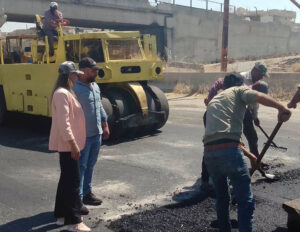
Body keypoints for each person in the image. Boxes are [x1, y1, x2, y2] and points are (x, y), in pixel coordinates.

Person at [203, 72, 291, 232]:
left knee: (222, 198)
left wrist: (251, 156)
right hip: (228, 151)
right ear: (240, 84)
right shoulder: (238, 91)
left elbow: (221, 138)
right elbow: (257, 96)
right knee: (245, 201)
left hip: (210, 154)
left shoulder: (215, 100)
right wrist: (281, 107)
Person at [201, 62, 270, 191]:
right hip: (223, 113)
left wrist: (254, 117)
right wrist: (210, 99)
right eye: (261, 75)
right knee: (216, 144)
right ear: (255, 71)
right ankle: (207, 179)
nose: (261, 77)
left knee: (251, 138)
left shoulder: (249, 88)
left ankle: (255, 164)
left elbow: (255, 101)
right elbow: (217, 83)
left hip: (241, 111)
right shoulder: (240, 81)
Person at [49, 61, 91, 232]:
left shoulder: (65, 92)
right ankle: (74, 222)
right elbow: (64, 122)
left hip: (69, 144)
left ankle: (61, 216)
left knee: (66, 180)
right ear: (67, 75)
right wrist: (73, 145)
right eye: (74, 74)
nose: (77, 76)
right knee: (73, 182)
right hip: (68, 144)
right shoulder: (62, 93)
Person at [73, 57, 110, 209]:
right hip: (83, 137)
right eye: (94, 71)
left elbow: (99, 106)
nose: (96, 73)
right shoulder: (74, 89)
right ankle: (78, 199)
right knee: (80, 167)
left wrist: (105, 124)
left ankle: (87, 193)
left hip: (96, 134)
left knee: (90, 165)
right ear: (84, 71)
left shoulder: (94, 86)